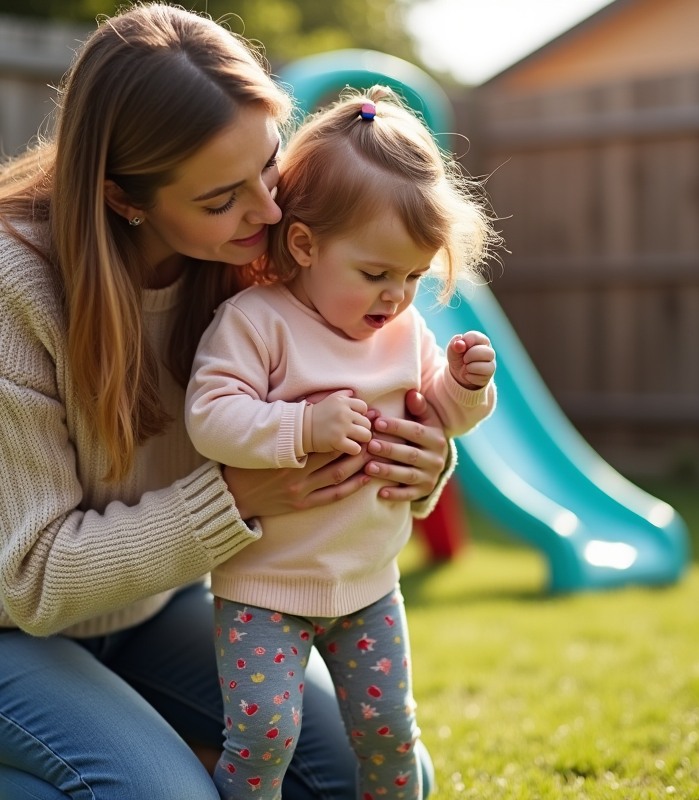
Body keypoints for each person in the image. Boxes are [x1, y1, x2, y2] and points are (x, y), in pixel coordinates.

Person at [0, 6, 457, 799]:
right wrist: (239, 494)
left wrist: (421, 457)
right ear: (125, 198)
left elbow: (364, 382)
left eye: (268, 166)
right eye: (221, 198)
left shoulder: (260, 252)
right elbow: (37, 580)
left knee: (374, 772)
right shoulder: (1, 280)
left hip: (144, 607)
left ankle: (131, 743)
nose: (271, 212)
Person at [185, 88, 498, 800]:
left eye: (413, 277)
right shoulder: (255, 322)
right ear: (305, 245)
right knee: (264, 738)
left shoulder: (404, 332)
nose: (396, 297)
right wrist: (301, 427)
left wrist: (465, 387)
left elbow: (436, 420)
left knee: (390, 733)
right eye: (376, 274)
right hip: (265, 591)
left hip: (369, 586)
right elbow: (210, 417)